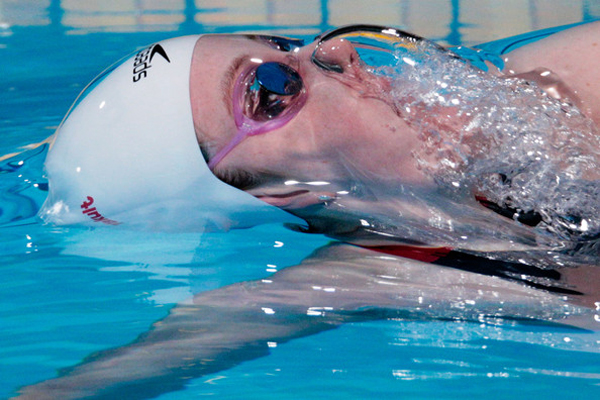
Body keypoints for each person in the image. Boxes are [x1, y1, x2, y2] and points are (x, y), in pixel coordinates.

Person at [17, 22, 600, 399]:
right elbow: (100, 379)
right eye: (270, 86)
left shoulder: (569, 82)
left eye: (280, 45)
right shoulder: (389, 272)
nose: (336, 49)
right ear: (279, 195)